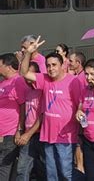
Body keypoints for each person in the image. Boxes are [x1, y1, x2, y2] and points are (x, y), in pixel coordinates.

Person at [20, 37, 80, 181]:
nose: (51, 68)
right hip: (48, 134)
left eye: (54, 65)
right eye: (48, 65)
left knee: (66, 173)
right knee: (51, 173)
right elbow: (24, 74)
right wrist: (28, 53)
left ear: (62, 65)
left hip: (66, 135)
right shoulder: (44, 78)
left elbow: (81, 103)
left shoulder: (72, 81)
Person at [16, 62, 46, 181]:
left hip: (40, 135)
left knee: (43, 169)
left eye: (30, 74)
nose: (27, 78)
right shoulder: (27, 91)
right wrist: (20, 130)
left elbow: (43, 115)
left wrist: (28, 134)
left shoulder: (42, 92)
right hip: (27, 135)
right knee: (22, 169)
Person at [0, 53, 26, 181]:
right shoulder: (3, 83)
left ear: (9, 67)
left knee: (4, 167)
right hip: (1, 133)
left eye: (0, 65)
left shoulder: (18, 81)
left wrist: (19, 129)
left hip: (10, 133)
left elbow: (23, 105)